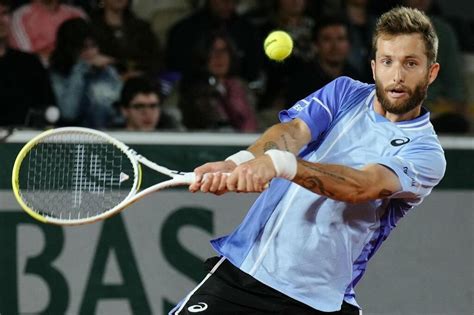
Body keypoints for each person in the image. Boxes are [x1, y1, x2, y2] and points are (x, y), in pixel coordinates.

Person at [170, 7, 446, 314]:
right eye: (387, 61)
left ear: (430, 72)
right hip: (244, 272)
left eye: (411, 63)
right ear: (373, 67)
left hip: (320, 302)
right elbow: (294, 131)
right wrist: (238, 161)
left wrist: (281, 164)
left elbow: (362, 186)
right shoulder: (344, 93)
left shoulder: (426, 153)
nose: (397, 75)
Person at [177, 31, 258, 132]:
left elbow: (251, 121)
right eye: (212, 50)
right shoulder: (194, 92)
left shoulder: (242, 87)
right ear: (204, 56)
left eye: (224, 51)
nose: (219, 57)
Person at [49, 18, 122, 128]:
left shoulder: (108, 72)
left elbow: (121, 113)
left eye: (93, 46)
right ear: (70, 49)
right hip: (74, 137)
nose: (91, 53)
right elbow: (68, 113)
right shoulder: (58, 75)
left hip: (109, 136)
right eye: (84, 48)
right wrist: (81, 71)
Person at [165, 0, 261, 82]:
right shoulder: (183, 31)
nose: (228, 3)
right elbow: (175, 72)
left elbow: (253, 71)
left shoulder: (247, 31)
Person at [0, 0, 56, 127]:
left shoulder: (30, 63)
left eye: (4, 13)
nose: (1, 21)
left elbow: (48, 110)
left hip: (26, 141)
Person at [286, 16, 362, 107]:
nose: (335, 46)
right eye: (327, 39)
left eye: (340, 39)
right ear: (316, 45)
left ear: (349, 44)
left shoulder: (357, 79)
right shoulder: (300, 81)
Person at [90, 0, 162, 79]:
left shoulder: (142, 28)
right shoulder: (90, 27)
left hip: (142, 84)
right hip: (103, 85)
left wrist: (141, 74)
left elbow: (156, 59)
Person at [8, 0, 86, 65]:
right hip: (39, 73)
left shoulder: (77, 13)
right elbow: (28, 59)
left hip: (80, 69)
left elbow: (89, 49)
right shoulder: (20, 16)